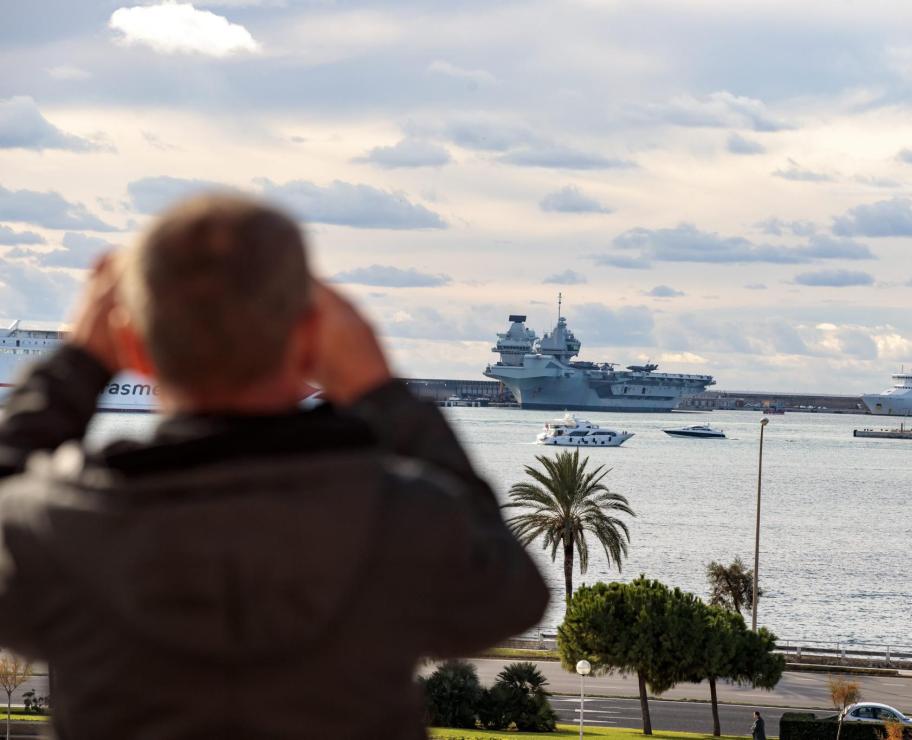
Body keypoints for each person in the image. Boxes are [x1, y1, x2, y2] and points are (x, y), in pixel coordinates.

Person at [0, 194, 549, 739]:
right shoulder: (405, 520)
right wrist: (383, 392)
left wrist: (74, 367)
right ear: (311, 337)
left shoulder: (60, 527)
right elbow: (512, 595)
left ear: (132, 348)